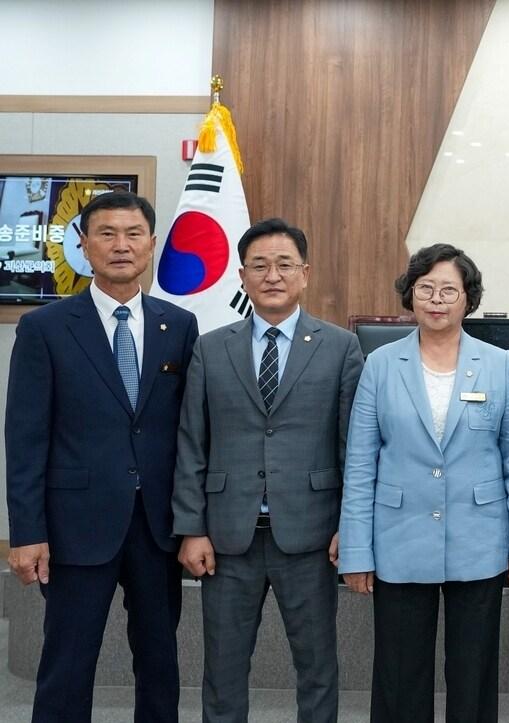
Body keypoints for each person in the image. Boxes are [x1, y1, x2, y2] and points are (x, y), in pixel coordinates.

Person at [5, 191, 198, 722]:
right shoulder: (45, 327)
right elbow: (24, 438)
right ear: (84, 246)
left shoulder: (178, 326)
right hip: (74, 526)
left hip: (157, 525)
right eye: (107, 234)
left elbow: (188, 430)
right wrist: (26, 531)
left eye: (133, 234)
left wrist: (193, 520)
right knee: (67, 663)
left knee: (160, 663)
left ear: (152, 245)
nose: (121, 245)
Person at [171, 218, 363, 723]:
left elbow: (353, 448)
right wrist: (191, 528)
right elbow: (192, 441)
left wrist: (351, 525)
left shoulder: (340, 347)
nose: (271, 275)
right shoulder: (211, 347)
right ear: (241, 275)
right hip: (228, 537)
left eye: (283, 265)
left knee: (318, 667)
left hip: (312, 535)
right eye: (259, 265)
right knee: (223, 669)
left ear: (304, 273)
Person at [338, 243, 509, 722]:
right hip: (398, 540)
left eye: (450, 289)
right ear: (410, 295)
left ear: (469, 298)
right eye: (426, 288)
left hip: (480, 538)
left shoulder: (499, 364)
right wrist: (356, 552)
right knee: (400, 675)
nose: (437, 299)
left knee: (474, 674)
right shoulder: (381, 364)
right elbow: (361, 464)